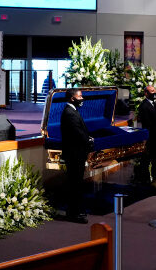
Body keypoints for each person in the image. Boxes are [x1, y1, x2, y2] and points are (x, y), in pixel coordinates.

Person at [60, 88, 94, 223]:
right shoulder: (69, 113)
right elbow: (77, 133)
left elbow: (80, 130)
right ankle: (73, 213)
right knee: (75, 183)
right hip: (74, 154)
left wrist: (87, 137)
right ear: (72, 98)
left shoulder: (73, 111)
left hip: (77, 152)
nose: (82, 99)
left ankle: (76, 210)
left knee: (77, 182)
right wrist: (88, 140)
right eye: (80, 96)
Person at [137, 85, 156, 182]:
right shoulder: (143, 106)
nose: (154, 93)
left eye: (155, 91)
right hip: (150, 138)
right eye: (152, 91)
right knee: (147, 160)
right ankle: (146, 181)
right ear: (146, 93)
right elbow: (147, 123)